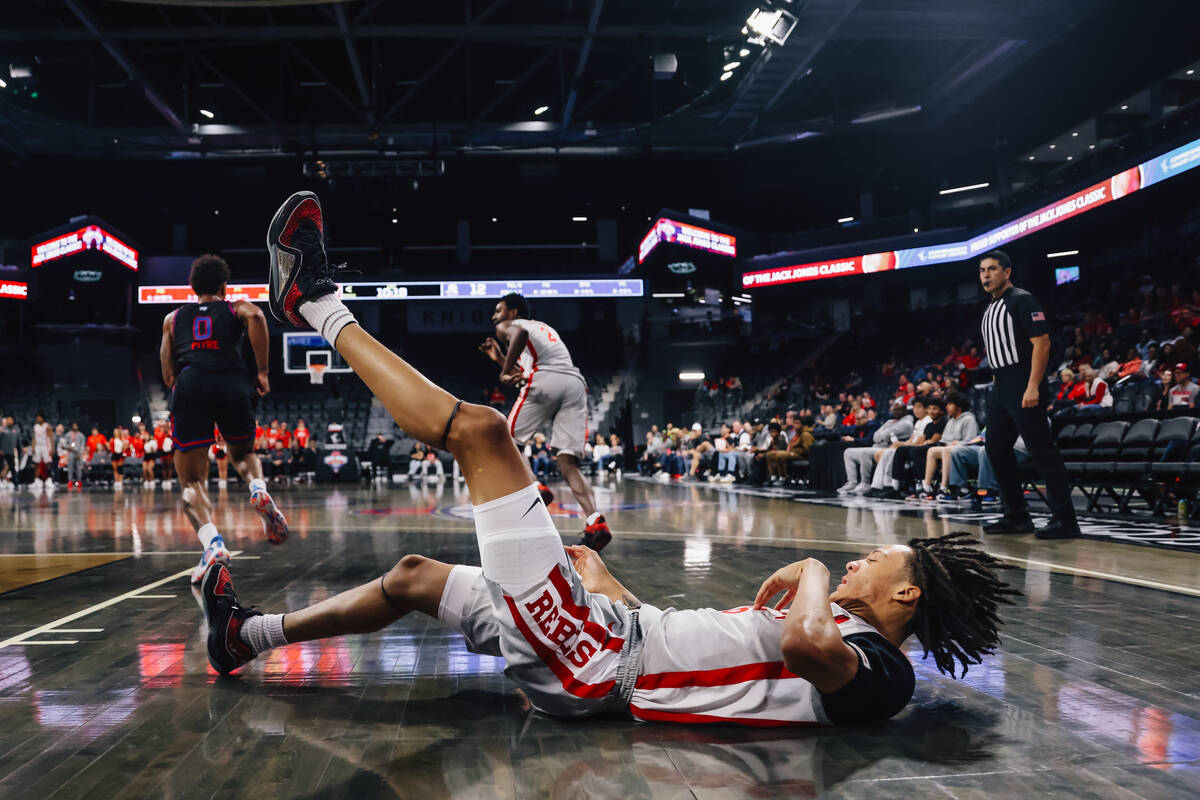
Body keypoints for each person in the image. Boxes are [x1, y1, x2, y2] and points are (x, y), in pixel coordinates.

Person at [198, 198, 1017, 733]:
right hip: (609, 636)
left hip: (595, 666)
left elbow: (804, 647)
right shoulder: (846, 635)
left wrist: (806, 568)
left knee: (484, 432)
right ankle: (243, 637)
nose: (854, 559)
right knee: (414, 574)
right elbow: (691, 645)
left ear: (904, 596)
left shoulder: (881, 670)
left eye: (875, 560)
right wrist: (607, 585)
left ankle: (310, 301)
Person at [160, 253, 290, 584]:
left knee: (191, 482)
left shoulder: (173, 318)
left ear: (192, 287)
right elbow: (258, 316)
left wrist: (183, 388)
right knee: (244, 453)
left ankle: (213, 544)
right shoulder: (234, 307)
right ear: (223, 286)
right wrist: (261, 371)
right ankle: (257, 488)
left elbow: (167, 371)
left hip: (191, 382)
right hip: (233, 382)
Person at [478, 292, 613, 551]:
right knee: (568, 462)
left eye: (498, 310)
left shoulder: (510, 327)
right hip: (574, 383)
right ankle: (596, 521)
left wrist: (504, 371)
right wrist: (498, 358)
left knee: (506, 439)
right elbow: (522, 370)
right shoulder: (543, 328)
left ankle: (534, 485)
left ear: (514, 312)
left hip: (546, 379)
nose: (494, 317)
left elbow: (518, 342)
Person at [977, 250, 1079, 539]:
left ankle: (1065, 520)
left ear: (1007, 272)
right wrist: (998, 380)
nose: (985, 275)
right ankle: (1017, 516)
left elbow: (1042, 343)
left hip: (1024, 381)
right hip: (1002, 385)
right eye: (982, 270)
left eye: (992, 269)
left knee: (1041, 450)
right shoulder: (989, 308)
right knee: (995, 447)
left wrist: (1033, 385)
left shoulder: (1022, 299)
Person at [31, 412, 54, 491]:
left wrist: (52, 448)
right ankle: (37, 481)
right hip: (38, 446)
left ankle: (49, 480)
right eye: (37, 417)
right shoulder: (35, 426)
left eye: (39, 417)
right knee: (36, 464)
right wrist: (33, 447)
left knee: (47, 464)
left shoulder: (47, 426)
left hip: (45, 446)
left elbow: (51, 438)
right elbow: (34, 438)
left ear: (42, 418)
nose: (38, 419)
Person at [60, 422, 85, 489]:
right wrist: (68, 447)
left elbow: (82, 445)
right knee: (70, 467)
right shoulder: (68, 434)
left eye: (76, 425)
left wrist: (80, 453)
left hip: (78, 452)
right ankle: (70, 481)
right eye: (73, 425)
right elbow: (64, 444)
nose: (75, 427)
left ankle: (78, 481)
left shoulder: (81, 435)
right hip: (70, 452)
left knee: (78, 467)